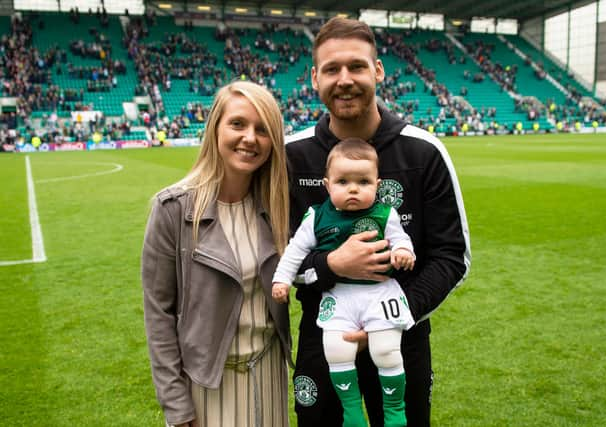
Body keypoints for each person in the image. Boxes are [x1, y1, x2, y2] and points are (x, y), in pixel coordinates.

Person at [285, 17, 471, 427]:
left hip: (402, 334)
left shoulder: (424, 153)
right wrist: (330, 266)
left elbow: (452, 256)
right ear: (315, 77)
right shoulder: (291, 156)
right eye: (332, 69)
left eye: (357, 66)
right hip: (324, 336)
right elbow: (273, 255)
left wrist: (396, 313)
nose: (344, 79)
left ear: (379, 71)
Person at [141, 80, 291, 427]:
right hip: (206, 386)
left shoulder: (277, 204)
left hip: (270, 375)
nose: (250, 138)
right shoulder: (172, 209)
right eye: (237, 124)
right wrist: (177, 409)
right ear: (215, 129)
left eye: (263, 129)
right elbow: (158, 316)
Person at [273, 138, 416, 427]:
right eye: (343, 182)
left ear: (377, 184)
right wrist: (281, 280)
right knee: (335, 350)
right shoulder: (316, 217)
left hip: (379, 293)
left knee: (385, 350)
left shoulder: (385, 214)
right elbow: (295, 251)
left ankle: (395, 410)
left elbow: (401, 238)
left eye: (363, 181)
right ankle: (352, 412)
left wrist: (403, 252)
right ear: (327, 185)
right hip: (338, 296)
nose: (353, 188)